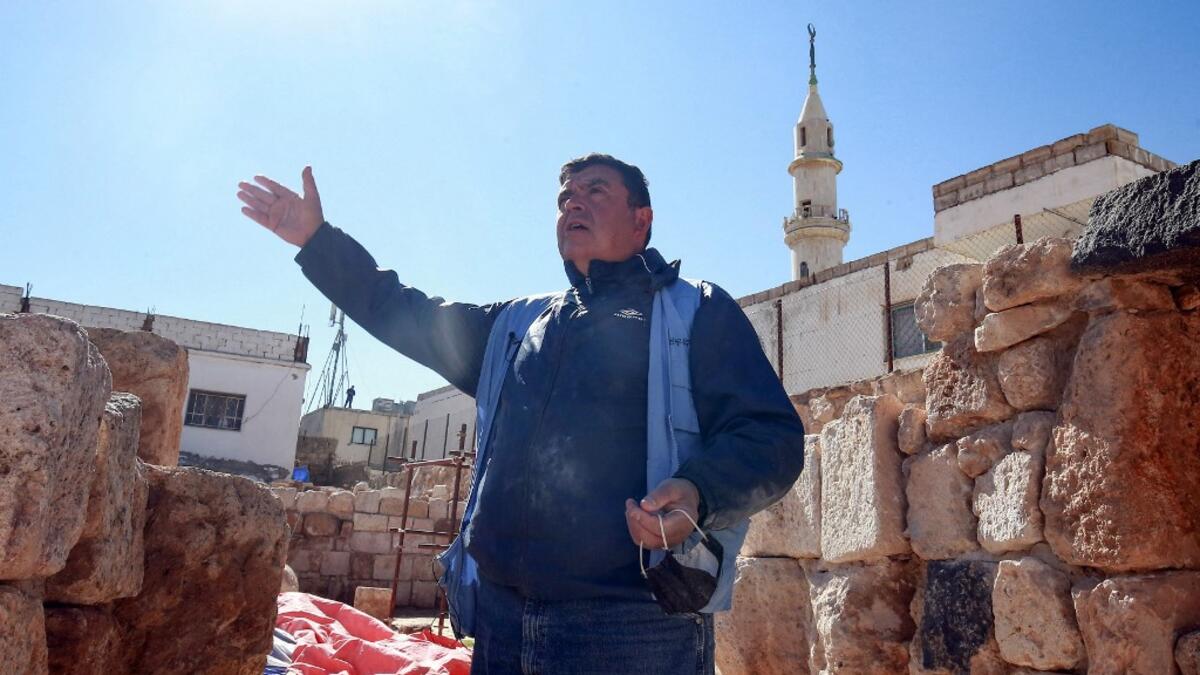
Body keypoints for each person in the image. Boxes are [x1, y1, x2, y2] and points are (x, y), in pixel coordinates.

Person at [237, 156, 805, 674]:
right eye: (564, 197)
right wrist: (316, 241)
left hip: (634, 629)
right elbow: (402, 309)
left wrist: (698, 491)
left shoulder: (696, 312)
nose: (572, 203)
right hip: (502, 625)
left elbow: (770, 436)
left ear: (641, 220)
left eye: (594, 191)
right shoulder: (518, 327)